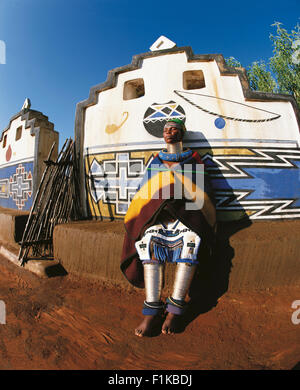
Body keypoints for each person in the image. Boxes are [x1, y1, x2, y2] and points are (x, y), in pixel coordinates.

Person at [120, 118, 216, 336]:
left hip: (187, 219)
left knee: (191, 243)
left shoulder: (193, 160)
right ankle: (151, 311)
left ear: (182, 133)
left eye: (173, 129)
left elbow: (201, 196)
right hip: (158, 219)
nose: (169, 132)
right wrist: (157, 205)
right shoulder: (155, 161)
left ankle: (175, 310)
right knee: (148, 243)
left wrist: (179, 194)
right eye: (165, 130)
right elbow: (144, 193)